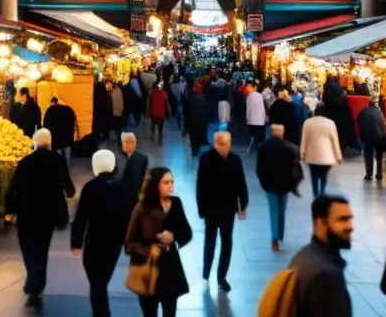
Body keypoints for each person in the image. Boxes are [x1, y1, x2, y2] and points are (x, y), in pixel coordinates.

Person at [5, 128, 76, 309]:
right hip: (49, 214)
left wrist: (9, 210)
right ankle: (36, 286)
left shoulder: (26, 161)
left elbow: (14, 187)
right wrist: (68, 192)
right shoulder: (58, 160)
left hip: (26, 212)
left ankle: (33, 282)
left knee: (28, 248)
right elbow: (69, 187)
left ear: (34, 143)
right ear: (50, 143)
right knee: (42, 249)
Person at [70, 150, 135, 317]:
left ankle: (102, 313)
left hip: (94, 240)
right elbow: (131, 217)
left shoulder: (90, 188)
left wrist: (76, 243)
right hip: (115, 242)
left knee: (96, 281)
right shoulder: (123, 189)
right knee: (102, 280)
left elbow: (81, 217)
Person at [125, 168, 193, 317]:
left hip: (170, 267)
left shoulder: (176, 203)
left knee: (170, 311)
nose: (171, 187)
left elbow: (187, 232)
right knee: (150, 311)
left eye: (172, 182)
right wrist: (149, 249)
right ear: (155, 184)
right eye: (166, 182)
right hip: (148, 269)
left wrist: (173, 236)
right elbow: (129, 243)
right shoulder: (141, 209)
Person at [196, 131, 248, 291]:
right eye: (224, 144)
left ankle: (221, 277)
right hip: (211, 209)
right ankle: (205, 273)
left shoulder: (235, 160)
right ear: (216, 144)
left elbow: (241, 183)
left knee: (227, 243)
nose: (227, 147)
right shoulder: (206, 159)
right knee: (210, 242)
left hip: (228, 209)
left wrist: (243, 205)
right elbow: (200, 186)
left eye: (229, 143)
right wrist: (201, 208)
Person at [289, 195, 354, 316]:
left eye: (350, 219)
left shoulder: (304, 255)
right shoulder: (327, 275)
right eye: (343, 220)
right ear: (321, 223)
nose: (350, 227)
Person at [256, 123, 303, 251]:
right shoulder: (289, 148)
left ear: (271, 132)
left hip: (270, 184)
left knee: (273, 211)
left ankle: (274, 238)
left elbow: (259, 168)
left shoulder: (263, 147)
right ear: (282, 132)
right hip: (285, 184)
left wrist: (263, 182)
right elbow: (294, 169)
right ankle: (281, 233)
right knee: (282, 210)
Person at [300, 105, 343, 197]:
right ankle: (322, 191)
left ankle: (315, 193)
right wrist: (338, 156)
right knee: (324, 176)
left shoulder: (307, 123)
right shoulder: (330, 123)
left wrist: (302, 152)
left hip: (312, 155)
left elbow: (304, 139)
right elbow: (335, 141)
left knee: (314, 176)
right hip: (326, 156)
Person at [357, 99, 386, 181]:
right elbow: (383, 123)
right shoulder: (379, 112)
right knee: (379, 156)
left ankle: (369, 174)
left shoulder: (363, 112)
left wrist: (362, 134)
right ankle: (379, 174)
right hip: (379, 137)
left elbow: (359, 122)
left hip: (367, 137)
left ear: (368, 104)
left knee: (368, 156)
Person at [43, 95, 78, 164]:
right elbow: (74, 121)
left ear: (52, 102)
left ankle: (60, 165)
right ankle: (67, 165)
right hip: (67, 134)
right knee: (67, 146)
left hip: (55, 136)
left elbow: (46, 123)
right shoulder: (68, 109)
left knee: (57, 149)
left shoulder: (50, 110)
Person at [120, 132, 149, 198]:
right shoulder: (117, 158)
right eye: (125, 142)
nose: (128, 145)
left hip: (134, 194)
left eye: (131, 142)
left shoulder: (142, 158)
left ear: (135, 144)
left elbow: (142, 177)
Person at [185, 83, 208, 157]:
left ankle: (194, 150)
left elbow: (186, 112)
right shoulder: (204, 100)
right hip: (202, 122)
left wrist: (186, 125)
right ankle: (198, 149)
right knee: (200, 136)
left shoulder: (190, 99)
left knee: (193, 136)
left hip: (192, 121)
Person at [246, 84, 267, 153]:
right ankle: (260, 147)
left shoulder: (249, 97)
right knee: (260, 136)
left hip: (251, 120)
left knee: (252, 134)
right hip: (260, 120)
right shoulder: (260, 96)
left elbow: (248, 109)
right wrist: (264, 118)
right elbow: (262, 108)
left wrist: (247, 118)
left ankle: (250, 146)